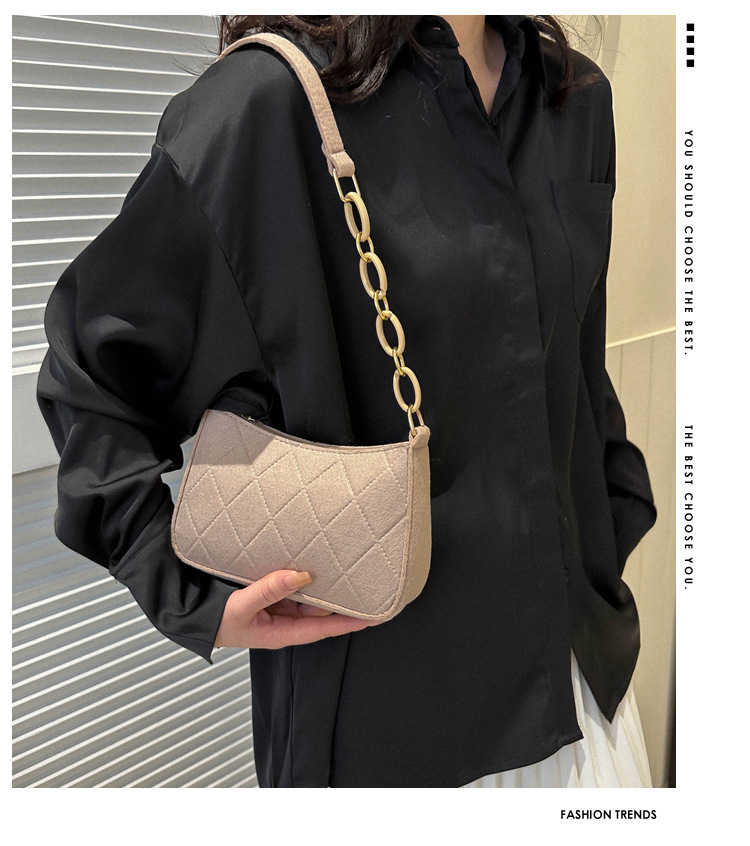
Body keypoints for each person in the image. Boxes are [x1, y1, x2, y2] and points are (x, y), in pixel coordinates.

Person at [37, 15, 657, 788]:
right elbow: (95, 376)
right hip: (391, 729)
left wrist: (611, 516)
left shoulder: (573, 98)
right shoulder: (268, 106)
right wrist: (184, 589)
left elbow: (575, 362)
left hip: (586, 686)